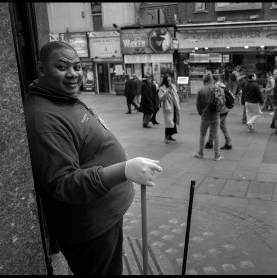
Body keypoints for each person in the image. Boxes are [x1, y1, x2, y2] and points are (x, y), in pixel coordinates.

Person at [22, 41, 163, 275]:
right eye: (62, 67)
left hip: (103, 217)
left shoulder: (60, 96)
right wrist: (123, 170)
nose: (73, 74)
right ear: (41, 68)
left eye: (77, 67)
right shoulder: (42, 119)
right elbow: (63, 183)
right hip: (90, 230)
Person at [194, 72, 224, 161]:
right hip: (216, 115)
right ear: (211, 80)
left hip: (205, 115)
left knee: (202, 134)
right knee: (216, 135)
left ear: (204, 80)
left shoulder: (201, 90)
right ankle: (217, 155)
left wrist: (200, 112)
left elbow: (198, 105)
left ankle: (200, 153)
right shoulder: (218, 89)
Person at [205, 75, 233, 150]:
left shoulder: (215, 88)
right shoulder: (222, 86)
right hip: (225, 110)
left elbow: (212, 101)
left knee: (214, 127)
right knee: (223, 126)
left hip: (219, 111)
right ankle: (228, 143)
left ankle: (210, 143)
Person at [158, 73, 180, 143]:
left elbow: (175, 94)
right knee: (168, 122)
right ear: (165, 80)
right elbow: (161, 98)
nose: (169, 81)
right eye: (168, 80)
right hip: (167, 107)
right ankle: (166, 137)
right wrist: (167, 91)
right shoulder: (162, 88)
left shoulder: (173, 85)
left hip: (174, 106)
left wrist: (177, 93)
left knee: (173, 121)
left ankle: (170, 136)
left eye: (170, 80)